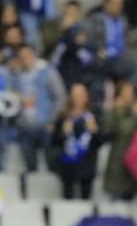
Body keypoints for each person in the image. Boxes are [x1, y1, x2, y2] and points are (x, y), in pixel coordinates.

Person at [11, 43, 67, 172]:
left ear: (34, 56)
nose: (25, 59)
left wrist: (52, 120)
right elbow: (10, 100)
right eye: (21, 57)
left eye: (27, 56)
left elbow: (60, 96)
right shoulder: (16, 77)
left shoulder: (47, 73)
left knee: (52, 162)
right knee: (30, 165)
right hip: (24, 126)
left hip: (44, 124)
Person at [50, 83, 100, 200]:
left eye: (81, 95)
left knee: (86, 200)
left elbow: (100, 142)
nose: (78, 99)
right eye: (75, 96)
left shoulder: (93, 115)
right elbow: (54, 141)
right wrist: (64, 133)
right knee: (68, 200)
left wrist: (94, 132)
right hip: (68, 165)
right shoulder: (63, 116)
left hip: (87, 165)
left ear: (86, 97)